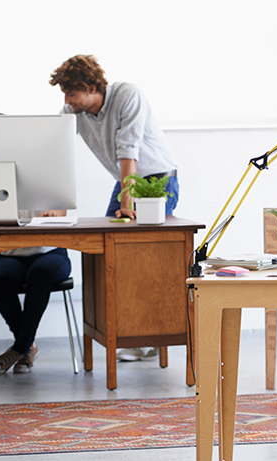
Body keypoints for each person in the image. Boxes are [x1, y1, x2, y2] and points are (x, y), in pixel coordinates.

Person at [49, 54, 180, 362]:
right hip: (126, 181)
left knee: (141, 263)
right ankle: (120, 332)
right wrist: (51, 202)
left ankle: (146, 338)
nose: (67, 100)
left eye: (72, 93)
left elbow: (128, 149)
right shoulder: (74, 111)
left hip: (157, 181)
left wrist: (127, 202)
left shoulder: (127, 95)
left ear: (92, 86)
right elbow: (53, 144)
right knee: (108, 258)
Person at [0, 211, 72, 374]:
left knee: (40, 274)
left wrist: (57, 213)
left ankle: (19, 349)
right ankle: (28, 346)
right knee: (0, 280)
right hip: (9, 252)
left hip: (50, 251)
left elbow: (63, 207)